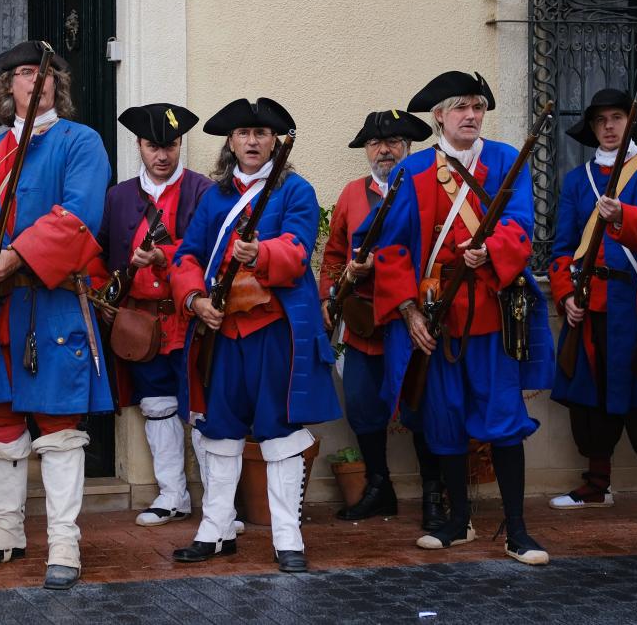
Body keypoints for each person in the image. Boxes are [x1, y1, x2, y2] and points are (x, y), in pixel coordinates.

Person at [0, 40, 113, 590]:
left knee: (61, 426)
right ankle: (6, 531)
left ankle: (64, 540)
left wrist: (17, 255)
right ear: (7, 86)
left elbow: (78, 216)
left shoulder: (81, 141)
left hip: (55, 302)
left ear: (55, 84)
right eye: (20, 73)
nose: (32, 81)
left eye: (41, 72)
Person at [367, 71, 554, 565]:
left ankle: (517, 531)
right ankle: (457, 522)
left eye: (477, 107)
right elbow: (390, 251)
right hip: (438, 317)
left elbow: (521, 225)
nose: (471, 115)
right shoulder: (416, 174)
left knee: (503, 420)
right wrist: (409, 311)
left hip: (491, 316)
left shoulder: (504, 161)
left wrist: (489, 250)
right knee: (444, 419)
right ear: (439, 117)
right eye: (461, 108)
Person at [170, 98, 341, 574]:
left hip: (273, 330)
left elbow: (297, 249)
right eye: (244, 133)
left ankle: (288, 536)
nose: (252, 141)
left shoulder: (296, 191)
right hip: (222, 331)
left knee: (279, 432)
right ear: (230, 141)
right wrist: (194, 300)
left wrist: (258, 251)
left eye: (262, 134)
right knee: (219, 430)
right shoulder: (215, 197)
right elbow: (187, 256)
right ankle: (217, 529)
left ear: (273, 142)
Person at [547, 88, 637, 525]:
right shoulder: (575, 179)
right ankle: (596, 485)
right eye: (601, 119)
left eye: (617, 117)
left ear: (630, 121)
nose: (608, 126)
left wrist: (623, 214)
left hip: (635, 303)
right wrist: (565, 294)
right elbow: (563, 247)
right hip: (588, 304)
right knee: (590, 399)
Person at [319, 109, 444, 530]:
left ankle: (433, 494)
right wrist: (332, 292)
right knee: (361, 407)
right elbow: (335, 256)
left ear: (408, 147)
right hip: (364, 323)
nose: (384, 150)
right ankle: (379, 486)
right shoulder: (353, 195)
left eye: (392, 142)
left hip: (409, 323)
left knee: (421, 408)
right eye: (375, 143)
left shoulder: (426, 188)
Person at [96, 103, 212, 527]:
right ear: (139, 146)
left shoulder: (203, 191)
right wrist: (103, 297)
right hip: (140, 323)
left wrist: (165, 253)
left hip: (188, 317)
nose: (162, 155)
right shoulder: (119, 196)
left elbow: (212, 250)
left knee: (201, 408)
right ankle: (172, 495)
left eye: (170, 145)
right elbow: (102, 251)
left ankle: (217, 504)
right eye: (152, 146)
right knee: (156, 405)